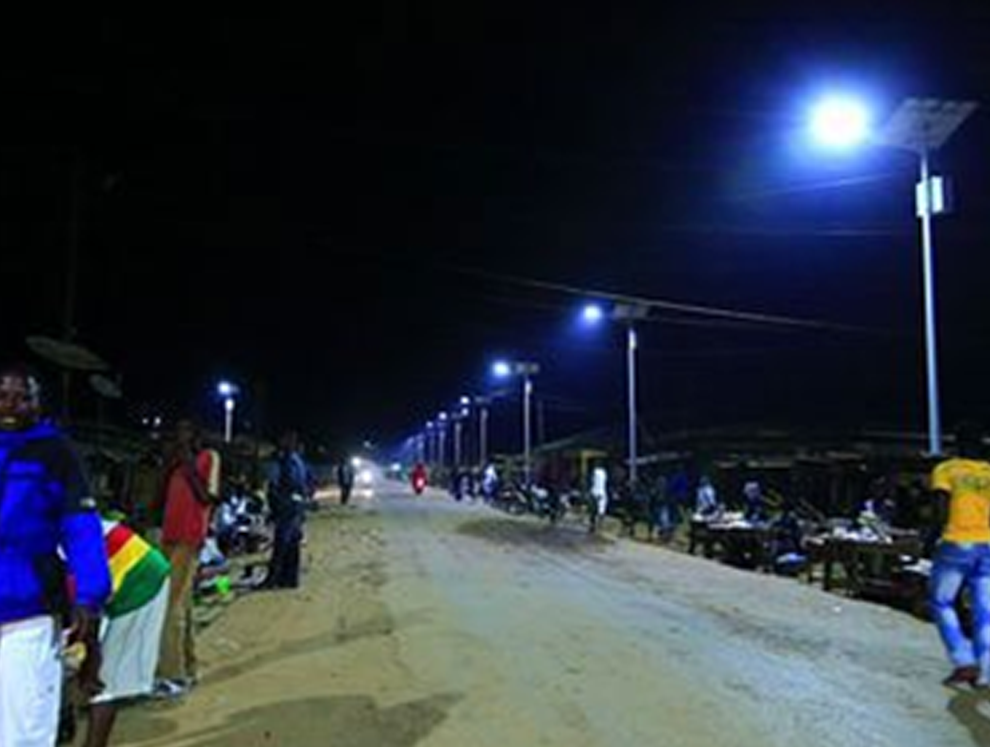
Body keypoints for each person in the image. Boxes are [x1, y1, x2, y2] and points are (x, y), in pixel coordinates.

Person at [0, 364, 111, 746]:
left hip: (27, 612)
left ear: (37, 403)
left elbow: (81, 527)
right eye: (3, 396)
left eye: (23, 396)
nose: (11, 405)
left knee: (23, 729)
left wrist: (90, 595)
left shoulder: (56, 452)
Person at [83, 516, 171, 747]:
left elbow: (88, 600)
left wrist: (92, 655)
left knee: (104, 678)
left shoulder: (50, 540)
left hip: (139, 580)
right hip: (120, 571)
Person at [156, 420, 220, 696]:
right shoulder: (177, 464)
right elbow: (160, 499)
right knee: (184, 605)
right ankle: (188, 668)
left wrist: (188, 463)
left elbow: (208, 497)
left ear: (196, 435)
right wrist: (170, 465)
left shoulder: (208, 458)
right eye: (177, 431)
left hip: (189, 537)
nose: (179, 436)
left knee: (170, 608)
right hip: (169, 536)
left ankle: (172, 675)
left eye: (185, 431)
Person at [929, 421, 990, 688]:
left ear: (956, 445)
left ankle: (963, 660)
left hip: (958, 541)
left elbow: (941, 508)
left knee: (941, 602)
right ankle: (987, 670)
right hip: (988, 544)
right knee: (985, 610)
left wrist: (932, 538)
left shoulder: (946, 470)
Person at [263, 430, 309, 589]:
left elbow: (274, 485)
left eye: (284, 440)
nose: (281, 443)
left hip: (286, 507)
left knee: (281, 545)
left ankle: (272, 580)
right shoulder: (299, 461)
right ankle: (290, 580)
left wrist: (274, 506)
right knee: (292, 546)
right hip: (296, 507)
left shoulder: (283, 461)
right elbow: (306, 485)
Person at [588, 465, 609, 534]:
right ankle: (600, 526)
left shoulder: (595, 472)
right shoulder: (604, 473)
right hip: (602, 493)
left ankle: (593, 526)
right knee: (601, 511)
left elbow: (591, 481)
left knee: (593, 512)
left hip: (594, 493)